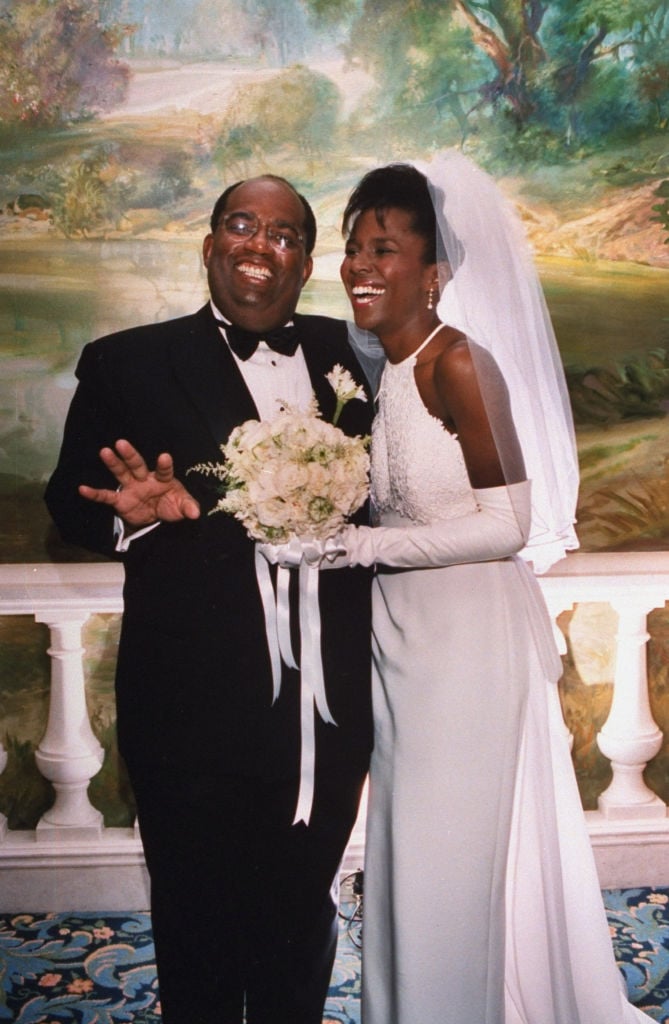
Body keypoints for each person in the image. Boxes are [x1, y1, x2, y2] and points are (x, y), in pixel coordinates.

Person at [44, 174, 375, 1024]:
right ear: (209, 244)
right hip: (187, 703)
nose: (259, 245)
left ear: (305, 262)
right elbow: (68, 505)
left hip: (326, 706)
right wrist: (136, 521)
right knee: (194, 922)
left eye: (284, 233)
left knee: (302, 917)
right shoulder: (127, 361)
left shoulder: (363, 358)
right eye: (241, 225)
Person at [331, 154, 653, 1022]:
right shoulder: (384, 373)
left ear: (433, 274)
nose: (362, 265)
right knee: (409, 853)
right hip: (405, 642)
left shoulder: (456, 365)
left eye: (386, 248)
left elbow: (509, 524)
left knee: (446, 861)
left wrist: (360, 546)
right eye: (355, 246)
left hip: (471, 645)